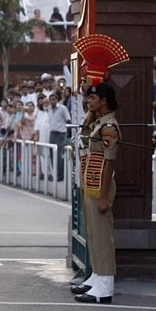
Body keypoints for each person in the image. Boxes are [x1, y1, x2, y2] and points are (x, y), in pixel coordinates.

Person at [70, 82, 120, 304]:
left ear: (104, 101)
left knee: (102, 237)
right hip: (91, 181)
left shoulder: (109, 127)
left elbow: (109, 162)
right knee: (92, 233)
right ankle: (97, 277)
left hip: (100, 184)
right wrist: (90, 114)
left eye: (93, 98)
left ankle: (105, 287)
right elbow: (83, 133)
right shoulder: (99, 122)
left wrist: (102, 196)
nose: (89, 101)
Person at [45, 92, 71, 181]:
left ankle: (60, 175)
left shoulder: (62, 108)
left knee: (58, 155)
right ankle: (54, 173)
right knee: (52, 154)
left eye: (54, 99)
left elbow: (68, 120)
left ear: (57, 100)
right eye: (51, 100)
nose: (52, 101)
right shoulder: (49, 109)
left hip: (60, 133)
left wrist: (67, 132)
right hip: (52, 133)